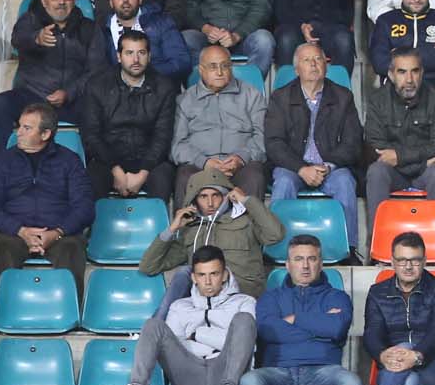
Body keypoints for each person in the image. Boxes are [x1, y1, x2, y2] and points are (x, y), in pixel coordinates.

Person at [110, 242, 256, 385]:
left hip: (226, 374)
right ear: (193, 277)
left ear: (224, 275)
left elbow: (244, 345)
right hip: (188, 374)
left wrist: (196, 334)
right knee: (153, 324)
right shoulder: (179, 306)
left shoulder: (244, 302)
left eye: (214, 274)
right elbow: (176, 346)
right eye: (201, 275)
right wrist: (219, 339)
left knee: (244, 320)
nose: (208, 281)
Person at [239, 232, 360, 385]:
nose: (305, 266)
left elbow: (337, 328)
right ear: (287, 264)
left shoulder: (337, 297)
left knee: (351, 383)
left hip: (323, 373)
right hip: (278, 373)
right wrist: (319, 328)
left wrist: (295, 319)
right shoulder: (270, 298)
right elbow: (269, 332)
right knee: (249, 381)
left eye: (311, 259)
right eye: (298, 259)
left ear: (320, 263)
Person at [0, 101, 91, 297]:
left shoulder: (69, 161)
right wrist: (20, 230)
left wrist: (57, 232)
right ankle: (0, 314)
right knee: (1, 246)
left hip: (59, 233)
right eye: (20, 126)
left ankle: (69, 313)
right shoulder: (4, 161)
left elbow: (84, 208)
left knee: (72, 247)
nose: (18, 133)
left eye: (27, 128)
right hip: (15, 232)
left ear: (45, 134)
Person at [262, 43, 364, 252]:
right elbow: (274, 143)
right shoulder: (280, 97)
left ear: (326, 66)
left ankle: (348, 248)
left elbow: (353, 143)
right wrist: (301, 168)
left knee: (345, 182)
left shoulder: (343, 97)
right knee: (282, 183)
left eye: (318, 59)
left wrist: (328, 165)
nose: (313, 64)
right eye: (307, 60)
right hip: (292, 167)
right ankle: (275, 248)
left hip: (330, 167)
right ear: (296, 69)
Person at [0, 0, 101, 158]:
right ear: (44, 0)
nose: (61, 2)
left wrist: (68, 93)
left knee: (98, 110)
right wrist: (36, 38)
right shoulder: (31, 20)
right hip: (32, 97)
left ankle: (91, 174)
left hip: (73, 100)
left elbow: (96, 70)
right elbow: (19, 39)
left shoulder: (90, 29)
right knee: (1, 104)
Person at [140, 161, 280, 301]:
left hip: (240, 295)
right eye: (203, 196)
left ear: (226, 196)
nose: (210, 203)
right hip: (203, 298)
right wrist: (172, 229)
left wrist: (247, 200)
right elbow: (148, 266)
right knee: (183, 272)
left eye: (216, 195)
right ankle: (158, 322)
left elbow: (276, 235)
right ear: (194, 201)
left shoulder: (246, 220)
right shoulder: (191, 231)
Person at [77, 30, 178, 201]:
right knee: (90, 182)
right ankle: (95, 229)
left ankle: (158, 228)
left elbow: (163, 136)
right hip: (108, 159)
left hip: (149, 160)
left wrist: (143, 173)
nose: (136, 60)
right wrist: (116, 171)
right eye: (129, 53)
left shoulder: (164, 87)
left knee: (163, 179)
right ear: (119, 56)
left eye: (141, 53)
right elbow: (91, 135)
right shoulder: (97, 85)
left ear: (149, 56)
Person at [363, 230, 435, 385]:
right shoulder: (377, 292)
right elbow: (372, 332)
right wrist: (382, 355)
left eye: (415, 260)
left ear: (424, 261)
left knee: (405, 347)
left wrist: (416, 355)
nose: (408, 266)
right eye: (401, 260)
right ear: (392, 262)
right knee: (409, 381)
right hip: (393, 368)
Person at [167, 43, 272, 203]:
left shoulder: (251, 95)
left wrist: (240, 158)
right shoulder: (185, 100)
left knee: (255, 175)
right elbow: (177, 145)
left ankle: (251, 228)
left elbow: (263, 136)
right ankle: (187, 228)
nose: (220, 72)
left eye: (225, 66)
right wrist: (204, 162)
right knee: (184, 176)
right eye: (213, 66)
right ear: (201, 70)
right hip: (200, 165)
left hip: (241, 164)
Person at [362, 49, 435, 213]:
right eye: (402, 72)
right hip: (398, 172)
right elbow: (376, 147)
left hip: (427, 173)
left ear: (422, 72)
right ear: (391, 75)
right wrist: (423, 162)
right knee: (376, 171)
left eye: (415, 71)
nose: (409, 79)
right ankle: (376, 237)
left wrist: (399, 157)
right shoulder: (377, 101)